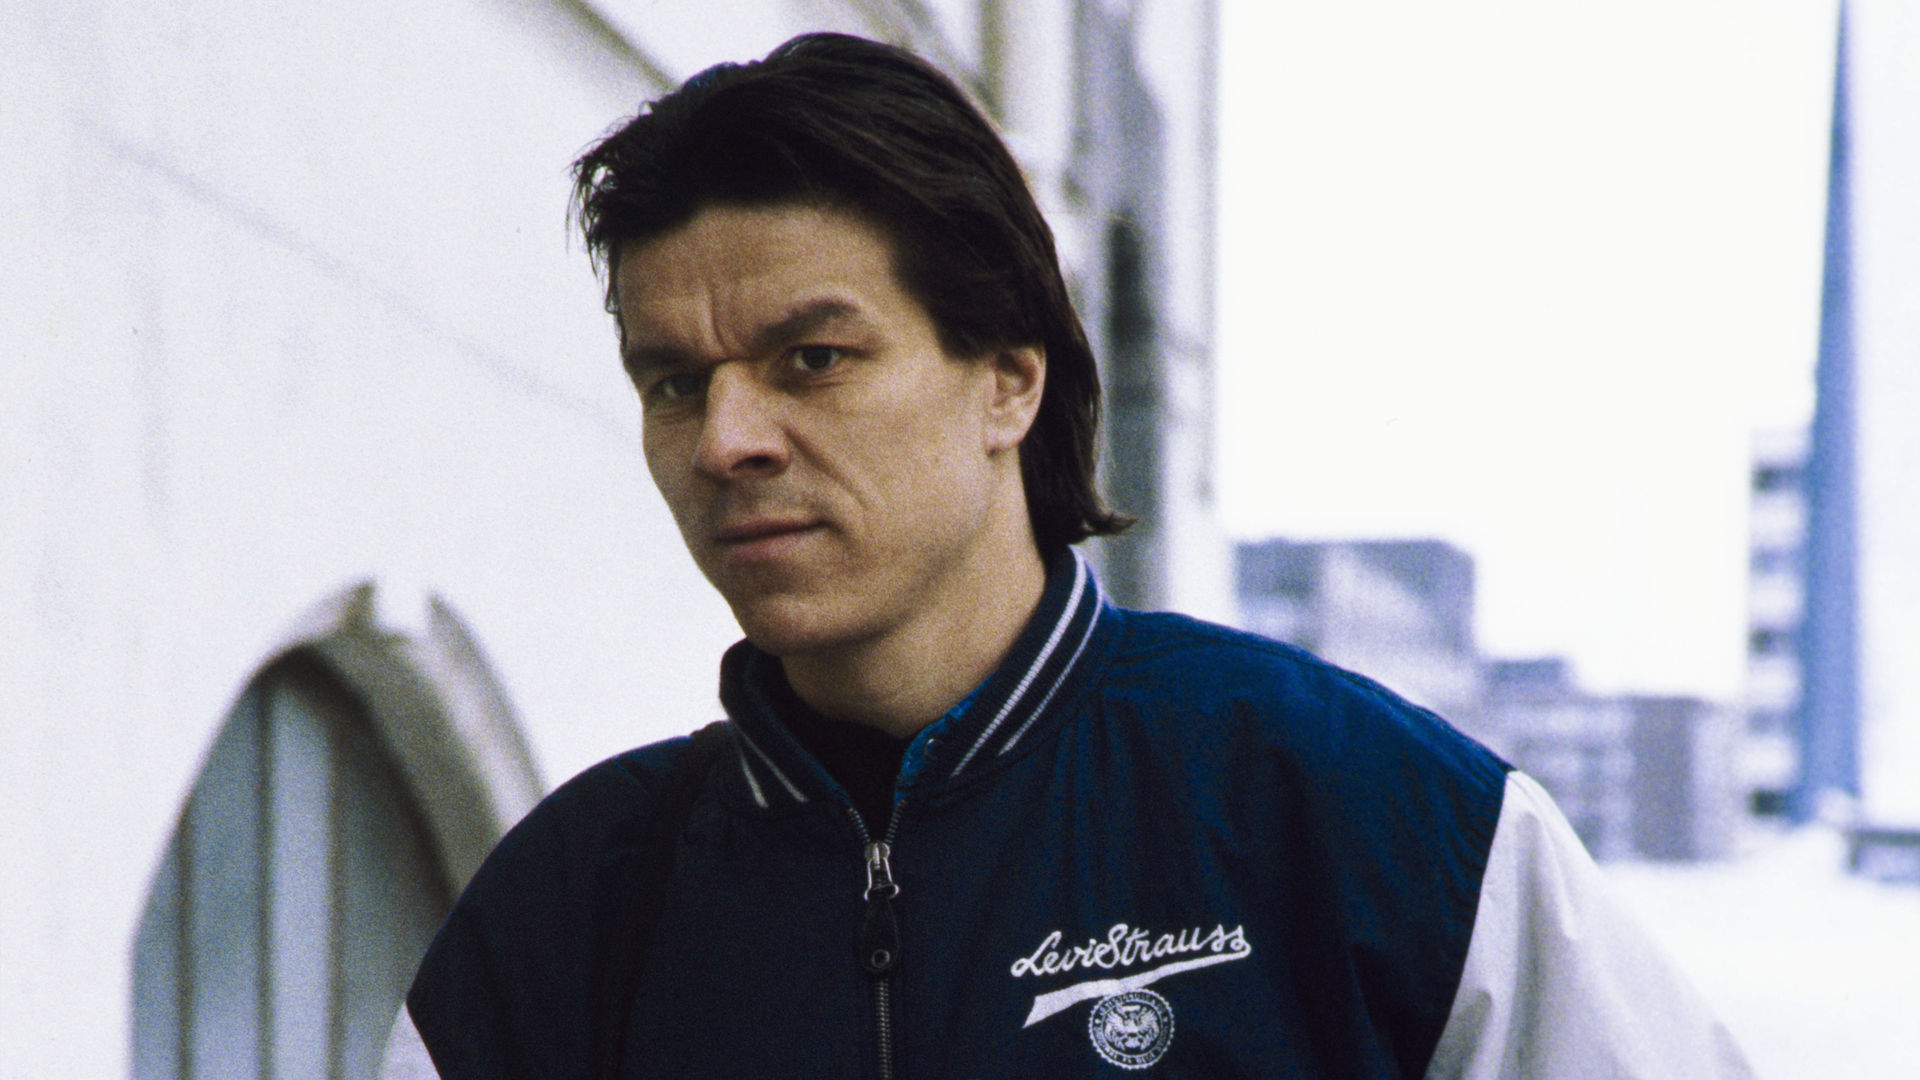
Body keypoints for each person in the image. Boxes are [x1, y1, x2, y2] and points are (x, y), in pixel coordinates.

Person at [402, 32, 1753, 1080]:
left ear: (1008, 379)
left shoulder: (1352, 814)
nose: (726, 440)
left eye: (812, 359)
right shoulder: (575, 905)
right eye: (674, 383)